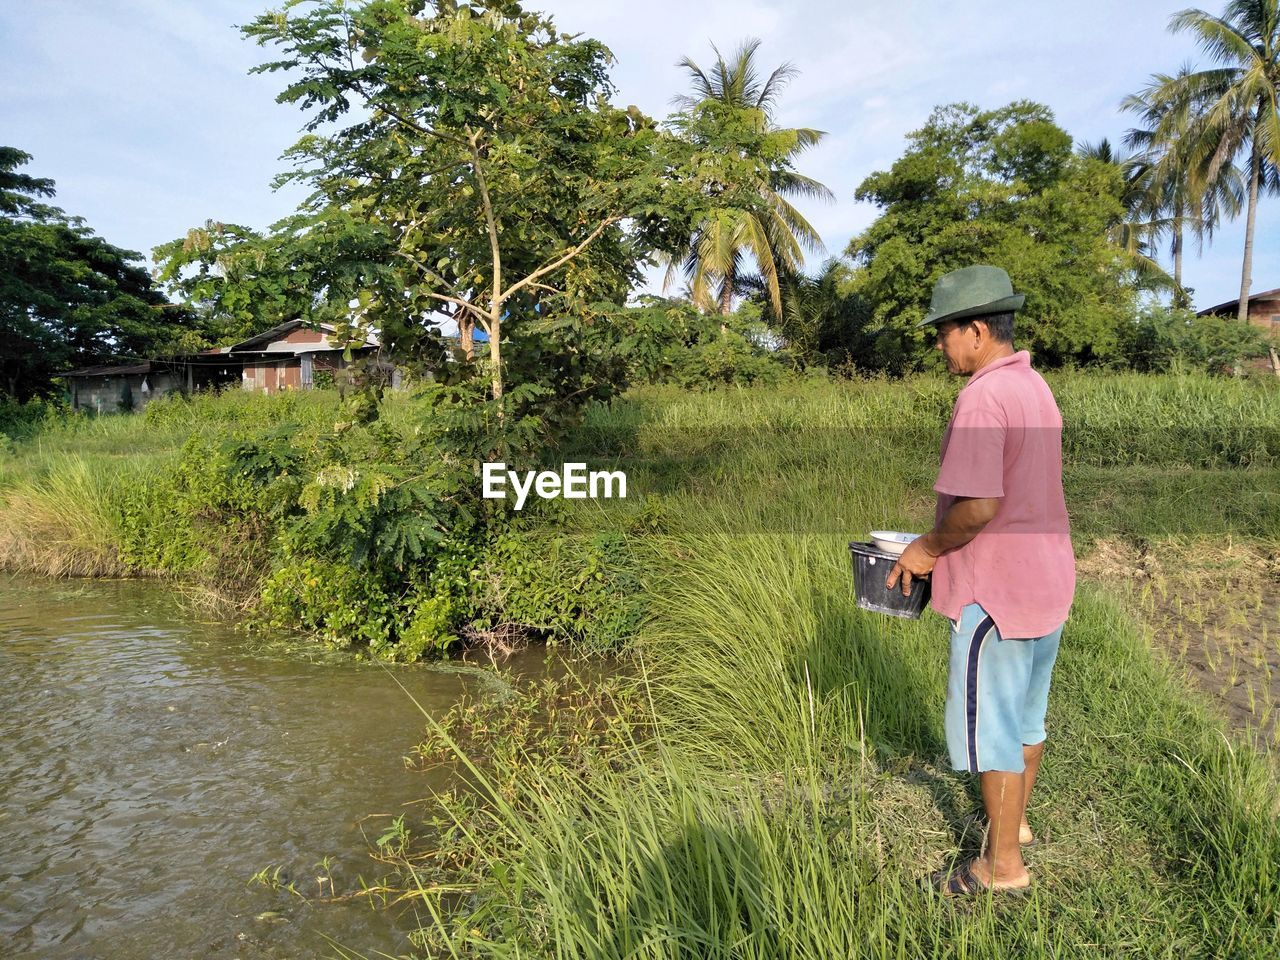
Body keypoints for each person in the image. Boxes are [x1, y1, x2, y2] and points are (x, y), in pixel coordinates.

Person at [886, 265, 1076, 896]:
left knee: (991, 728)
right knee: (1026, 720)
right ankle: (1012, 827)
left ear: (974, 329)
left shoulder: (981, 398)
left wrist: (924, 549)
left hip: (995, 593)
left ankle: (1000, 868)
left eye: (944, 333)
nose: (940, 345)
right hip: (1045, 582)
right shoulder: (1033, 386)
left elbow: (979, 507)